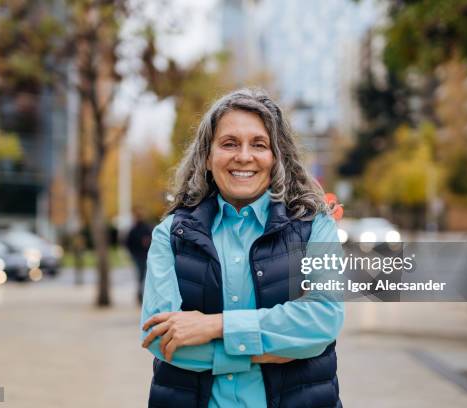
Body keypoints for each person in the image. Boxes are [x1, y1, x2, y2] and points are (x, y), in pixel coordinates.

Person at [140, 88, 345, 408]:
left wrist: (214, 327)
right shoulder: (171, 235)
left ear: (276, 156)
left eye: (259, 144)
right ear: (207, 156)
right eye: (229, 143)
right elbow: (163, 340)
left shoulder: (314, 227)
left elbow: (322, 320)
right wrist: (270, 351)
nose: (244, 156)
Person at [125, 207, 153, 304]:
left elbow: (152, 240)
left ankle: (142, 295)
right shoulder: (134, 229)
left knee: (144, 276)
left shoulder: (147, 228)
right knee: (141, 275)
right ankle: (140, 295)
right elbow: (128, 243)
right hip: (138, 255)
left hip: (145, 255)